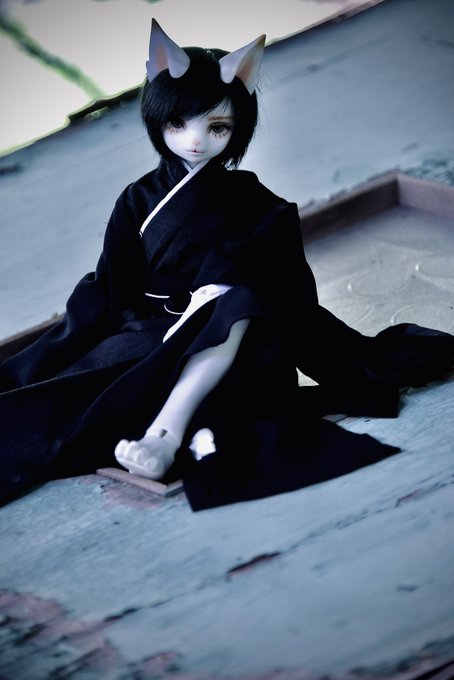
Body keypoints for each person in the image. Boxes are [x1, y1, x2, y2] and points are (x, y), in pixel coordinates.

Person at [0, 20, 452, 511]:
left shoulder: (255, 201)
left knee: (236, 300)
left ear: (237, 128)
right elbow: (111, 282)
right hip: (152, 329)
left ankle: (166, 434)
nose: (196, 141)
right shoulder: (137, 198)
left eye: (216, 127)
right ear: (158, 121)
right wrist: (59, 346)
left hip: (234, 334)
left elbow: (283, 286)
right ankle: (162, 424)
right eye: (179, 124)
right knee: (60, 401)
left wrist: (221, 291)